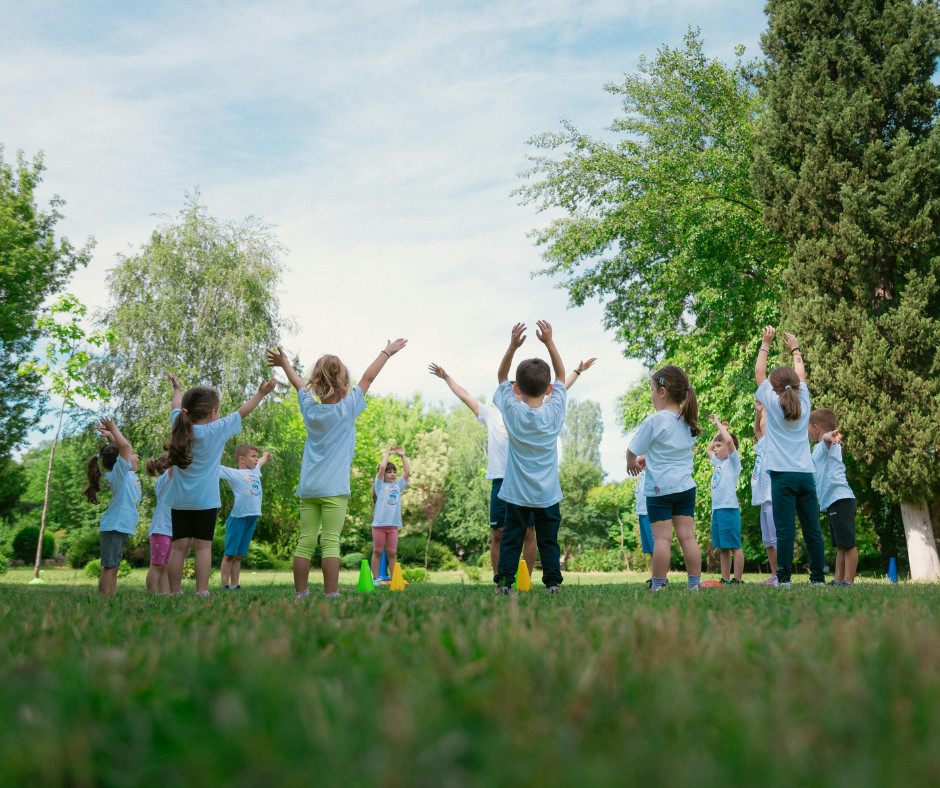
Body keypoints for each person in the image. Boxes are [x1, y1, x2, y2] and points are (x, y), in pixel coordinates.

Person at [428, 357, 596, 577]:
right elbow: (465, 396)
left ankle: (524, 578)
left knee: (529, 532)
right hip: (503, 480)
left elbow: (555, 388)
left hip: (527, 481)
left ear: (520, 386)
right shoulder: (494, 412)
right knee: (500, 533)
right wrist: (447, 377)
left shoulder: (537, 411)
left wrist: (578, 371)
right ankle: (502, 578)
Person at [266, 338, 407, 599]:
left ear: (317, 385)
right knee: (330, 540)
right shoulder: (347, 408)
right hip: (334, 489)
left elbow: (299, 384)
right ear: (344, 385)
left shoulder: (310, 410)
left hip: (309, 487)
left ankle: (301, 593)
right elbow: (369, 377)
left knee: (305, 540)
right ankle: (331, 593)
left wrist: (285, 363)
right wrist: (387, 352)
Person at [165, 372, 276, 597]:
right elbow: (243, 412)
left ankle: (174, 592)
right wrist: (261, 394)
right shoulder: (215, 430)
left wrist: (177, 389)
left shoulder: (179, 425)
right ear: (211, 413)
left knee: (178, 548)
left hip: (179, 500)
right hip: (205, 501)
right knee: (203, 547)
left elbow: (176, 406)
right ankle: (202, 591)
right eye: (217, 409)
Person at [492, 320, 567, 594]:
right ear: (547, 388)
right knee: (549, 541)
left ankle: (503, 584)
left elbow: (501, 377)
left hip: (517, 494)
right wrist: (549, 342)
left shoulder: (513, 411)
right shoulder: (554, 410)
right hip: (547, 493)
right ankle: (553, 585)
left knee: (511, 539)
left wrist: (512, 345)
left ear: (518, 389)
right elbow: (561, 375)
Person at [754, 327, 826, 587]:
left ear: (773, 388)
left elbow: (759, 373)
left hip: (782, 476)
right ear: (796, 386)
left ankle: (783, 579)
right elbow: (802, 375)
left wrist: (765, 343)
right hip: (806, 475)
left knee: (785, 531)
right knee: (812, 530)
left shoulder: (772, 406)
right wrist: (795, 348)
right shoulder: (804, 403)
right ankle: (817, 579)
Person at [626, 365, 702, 591]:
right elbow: (672, 450)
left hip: (660, 490)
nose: (650, 396)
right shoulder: (688, 421)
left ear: (662, 392)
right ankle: (694, 584)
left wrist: (632, 461)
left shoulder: (654, 421)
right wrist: (647, 458)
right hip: (686, 488)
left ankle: (658, 584)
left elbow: (632, 449)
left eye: (651, 390)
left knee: (662, 540)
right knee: (688, 538)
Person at [82, 417, 141, 595]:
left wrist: (110, 437)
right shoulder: (120, 474)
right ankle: (104, 598)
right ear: (123, 460)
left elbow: (115, 451)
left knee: (114, 566)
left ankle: (111, 596)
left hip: (120, 525)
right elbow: (121, 449)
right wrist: (114, 429)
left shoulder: (124, 473)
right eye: (132, 454)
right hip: (115, 525)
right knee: (110, 566)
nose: (136, 456)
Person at [809, 408, 857, 586]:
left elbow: (827, 438)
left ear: (816, 427)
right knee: (840, 544)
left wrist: (831, 436)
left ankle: (849, 580)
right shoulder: (816, 449)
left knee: (849, 544)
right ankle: (838, 579)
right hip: (832, 502)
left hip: (841, 499)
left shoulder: (828, 444)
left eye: (808, 428)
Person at [219, 445, 271, 590]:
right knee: (229, 554)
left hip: (252, 517)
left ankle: (235, 585)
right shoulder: (233, 473)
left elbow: (260, 462)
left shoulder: (255, 470)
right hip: (238, 518)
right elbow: (213, 466)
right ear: (242, 459)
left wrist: (265, 456)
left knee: (239, 555)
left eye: (256, 456)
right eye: (253, 456)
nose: (256, 459)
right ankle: (225, 586)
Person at [707, 415, 743, 584]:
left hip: (729, 508)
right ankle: (725, 578)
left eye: (718, 446)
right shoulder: (718, 463)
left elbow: (728, 442)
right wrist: (718, 433)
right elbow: (708, 449)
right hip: (717, 510)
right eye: (716, 446)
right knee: (723, 547)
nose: (715, 449)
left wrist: (720, 426)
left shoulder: (732, 462)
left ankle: (737, 579)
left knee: (735, 546)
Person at [370, 446, 410, 582]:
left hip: (393, 526)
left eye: (394, 472)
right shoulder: (380, 485)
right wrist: (387, 454)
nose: (392, 474)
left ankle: (396, 580)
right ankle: (375, 579)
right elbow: (381, 468)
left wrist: (403, 456)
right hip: (379, 525)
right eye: (389, 472)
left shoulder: (397, 486)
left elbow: (407, 472)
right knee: (377, 552)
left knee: (392, 553)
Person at [751, 399, 779, 584]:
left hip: (771, 494)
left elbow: (765, 426)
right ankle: (775, 575)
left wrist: (766, 407)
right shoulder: (762, 444)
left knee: (775, 538)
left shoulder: (774, 441)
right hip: (762, 497)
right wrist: (758, 411)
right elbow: (757, 429)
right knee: (767, 540)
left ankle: (783, 575)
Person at [145, 453, 173, 594]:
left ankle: (163, 594)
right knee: (157, 564)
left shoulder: (171, 480)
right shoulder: (163, 479)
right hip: (161, 529)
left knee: (167, 565)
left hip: (171, 528)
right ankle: (151, 594)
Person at [628, 459, 655, 586]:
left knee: (655, 547)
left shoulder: (651, 471)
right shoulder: (642, 474)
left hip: (650, 513)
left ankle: (660, 577)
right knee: (650, 549)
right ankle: (655, 575)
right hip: (642, 514)